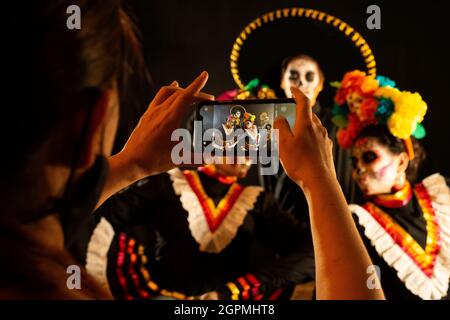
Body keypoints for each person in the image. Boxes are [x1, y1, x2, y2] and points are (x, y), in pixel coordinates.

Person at [0, 0, 383, 300]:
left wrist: (238, 291)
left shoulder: (257, 198)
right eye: (228, 140)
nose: (236, 150)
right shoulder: (169, 185)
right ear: (88, 126)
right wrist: (321, 182)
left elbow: (302, 250)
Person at [69, 158, 316, 300]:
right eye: (236, 137)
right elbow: (101, 214)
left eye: (253, 142)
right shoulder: (167, 182)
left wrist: (244, 287)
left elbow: (311, 248)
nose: (246, 150)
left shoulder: (258, 200)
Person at [333, 70, 450, 300]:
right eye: (354, 162)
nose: (358, 171)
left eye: (369, 157)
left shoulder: (441, 196)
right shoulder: (358, 222)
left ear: (401, 161)